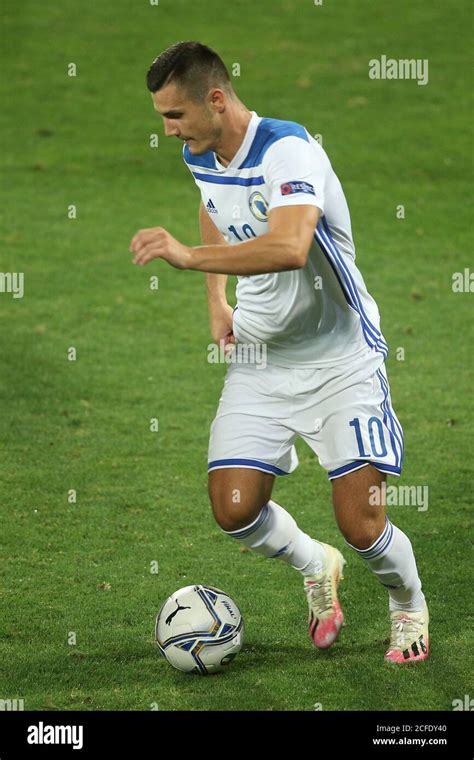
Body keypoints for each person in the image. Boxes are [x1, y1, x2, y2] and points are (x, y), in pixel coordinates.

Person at [130, 41, 429, 663]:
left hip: (340, 360)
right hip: (262, 358)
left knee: (363, 525)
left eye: (175, 115)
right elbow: (215, 206)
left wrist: (189, 258)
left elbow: (291, 244)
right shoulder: (201, 149)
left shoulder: (289, 149)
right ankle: (314, 563)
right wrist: (217, 300)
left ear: (216, 99)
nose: (168, 130)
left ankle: (408, 604)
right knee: (234, 508)